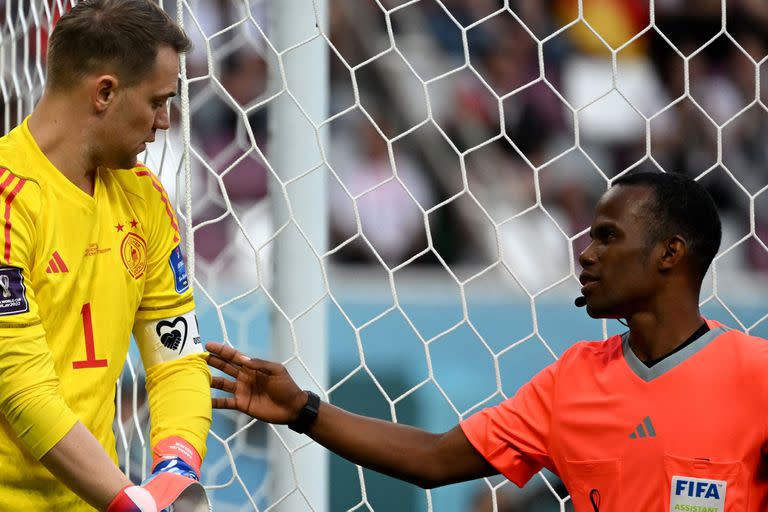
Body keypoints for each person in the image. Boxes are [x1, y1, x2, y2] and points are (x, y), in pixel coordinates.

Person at [207, 171, 768, 510]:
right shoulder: (573, 381)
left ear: (670, 253)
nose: (586, 253)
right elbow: (433, 458)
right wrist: (303, 409)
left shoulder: (755, 375)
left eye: (608, 237)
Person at [0, 1, 211, 510]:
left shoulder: (146, 198)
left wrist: (175, 467)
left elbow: (177, 359)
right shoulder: (8, 200)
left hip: (96, 499)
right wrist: (127, 501)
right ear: (105, 93)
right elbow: (22, 391)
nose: (165, 121)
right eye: (158, 101)